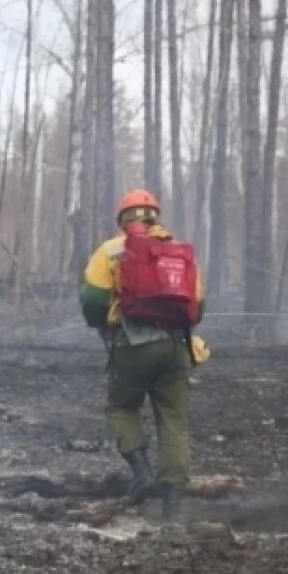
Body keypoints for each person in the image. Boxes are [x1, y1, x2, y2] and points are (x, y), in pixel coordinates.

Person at [79, 189, 204, 518]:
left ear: (123, 219)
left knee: (121, 406)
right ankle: (173, 503)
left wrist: (101, 323)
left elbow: (92, 300)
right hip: (176, 347)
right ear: (155, 217)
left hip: (131, 346)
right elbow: (198, 305)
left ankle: (142, 473)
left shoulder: (111, 250)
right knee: (173, 418)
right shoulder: (180, 252)